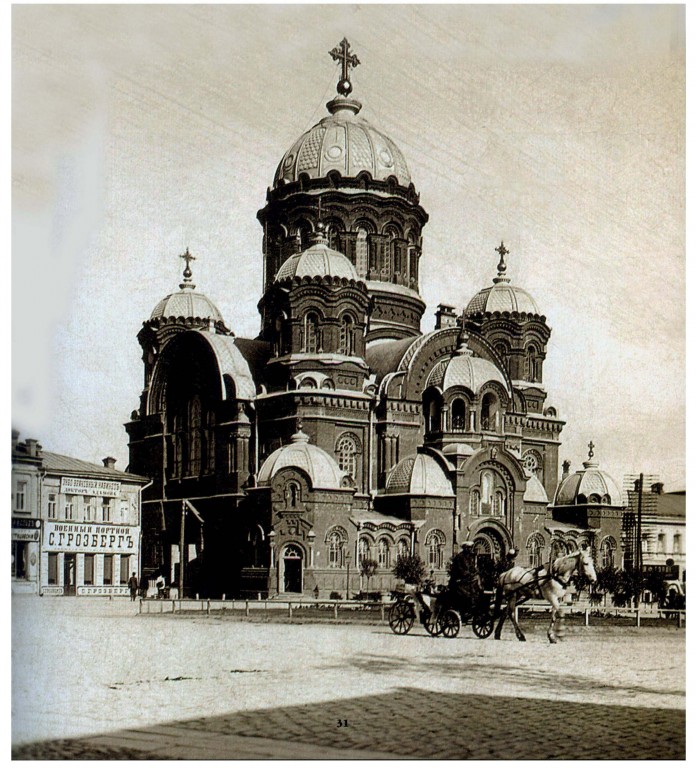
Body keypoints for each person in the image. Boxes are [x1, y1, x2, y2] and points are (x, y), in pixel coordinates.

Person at [448, 541, 481, 612]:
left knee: (477, 588)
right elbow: (460, 569)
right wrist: (468, 574)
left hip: (467, 580)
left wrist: (475, 571)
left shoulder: (469, 557)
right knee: (466, 594)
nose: (470, 549)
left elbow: (472, 567)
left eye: (471, 548)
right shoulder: (459, 557)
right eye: (468, 548)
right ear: (464, 548)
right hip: (458, 581)